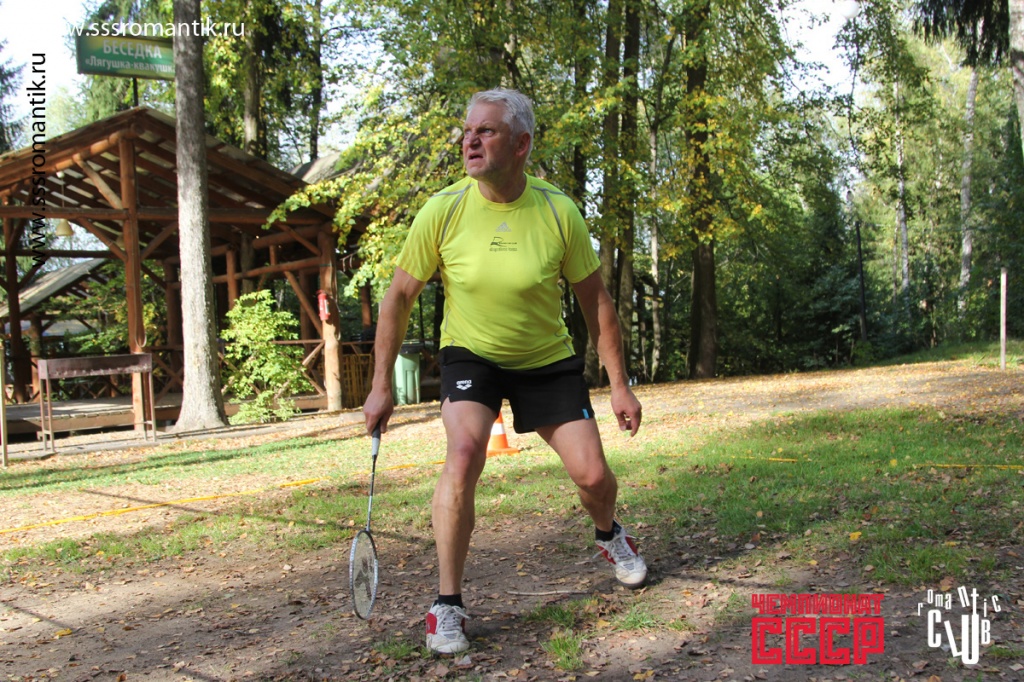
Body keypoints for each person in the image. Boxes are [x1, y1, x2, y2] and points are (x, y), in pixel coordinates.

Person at [362, 88, 646, 656]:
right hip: (472, 356)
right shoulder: (443, 209)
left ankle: (609, 533)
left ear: (521, 145)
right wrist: (380, 385)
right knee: (464, 453)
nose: (470, 141)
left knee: (594, 478)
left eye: (485, 131)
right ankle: (447, 604)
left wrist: (619, 385)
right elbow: (398, 297)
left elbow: (596, 302)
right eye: (467, 131)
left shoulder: (557, 211)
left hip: (546, 360)